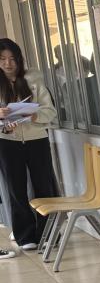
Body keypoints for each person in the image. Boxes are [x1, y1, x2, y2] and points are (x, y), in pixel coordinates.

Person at [0, 38, 58, 250]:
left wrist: (33, 115)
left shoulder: (34, 78)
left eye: (12, 59)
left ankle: (49, 233)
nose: (8, 64)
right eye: (2, 59)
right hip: (7, 142)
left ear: (19, 59)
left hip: (37, 140)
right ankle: (25, 236)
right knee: (16, 189)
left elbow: (50, 111)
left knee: (44, 186)